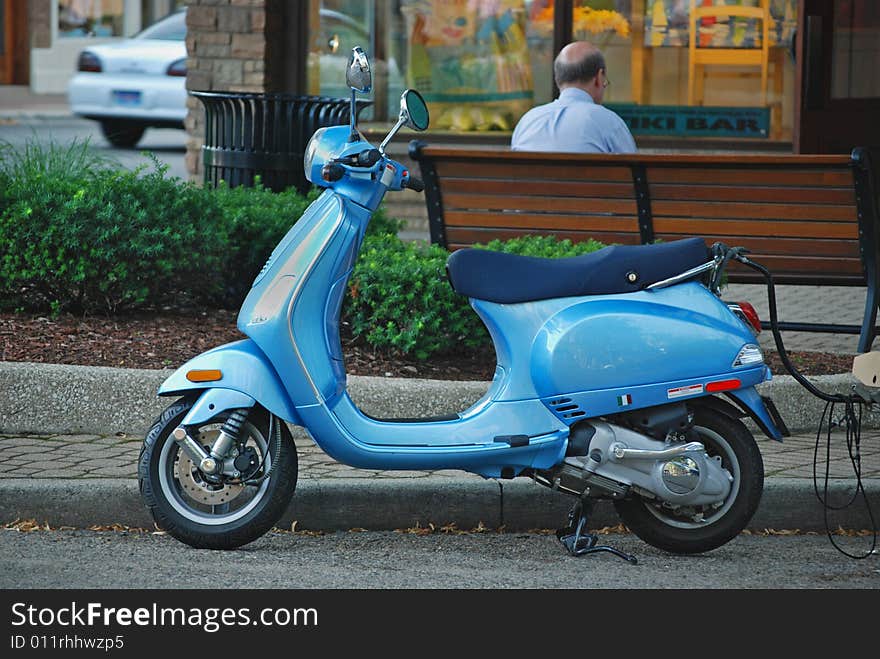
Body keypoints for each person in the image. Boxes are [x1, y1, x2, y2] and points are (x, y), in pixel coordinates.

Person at [511, 41, 637, 153]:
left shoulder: (528, 121)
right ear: (599, 78)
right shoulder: (609, 122)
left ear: (557, 79)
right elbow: (634, 174)